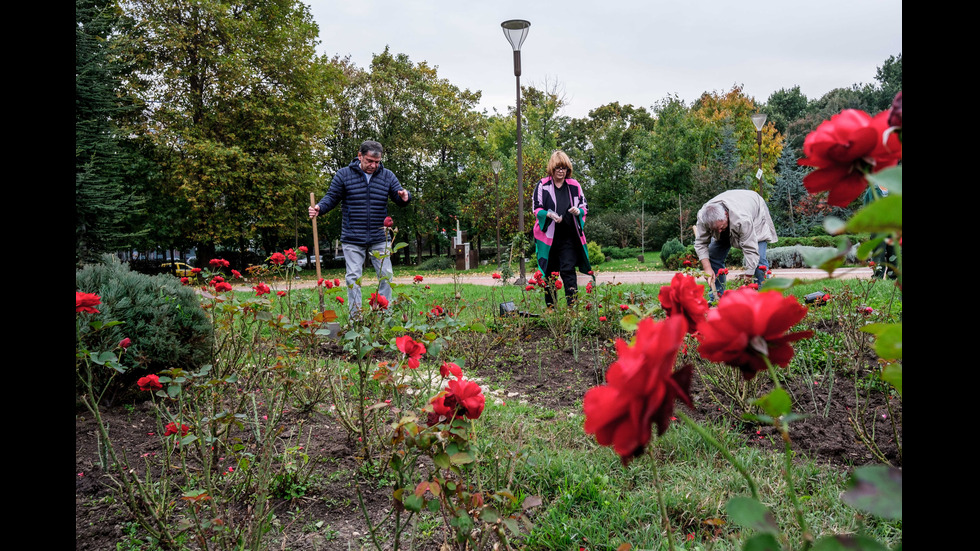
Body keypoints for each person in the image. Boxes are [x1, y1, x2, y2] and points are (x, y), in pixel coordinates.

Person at [309, 140, 410, 316]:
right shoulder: (343, 175)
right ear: (360, 156)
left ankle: (383, 316)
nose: (373, 165)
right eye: (369, 161)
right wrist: (319, 207)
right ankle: (356, 318)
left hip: (380, 236)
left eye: (377, 162)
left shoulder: (387, 176)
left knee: (386, 276)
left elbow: (399, 197)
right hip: (352, 236)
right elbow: (331, 197)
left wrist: (405, 197)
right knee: (353, 278)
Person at [532, 150, 593, 307]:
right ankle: (551, 307)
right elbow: (536, 208)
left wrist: (578, 211)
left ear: (568, 169)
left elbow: (584, 205)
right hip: (549, 238)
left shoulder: (574, 185)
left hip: (569, 236)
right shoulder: (542, 185)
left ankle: (572, 307)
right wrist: (550, 215)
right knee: (549, 273)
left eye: (564, 168)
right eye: (558, 167)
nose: (561, 171)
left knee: (568, 270)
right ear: (552, 168)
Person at [694, 189, 777, 301]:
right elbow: (700, 243)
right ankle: (716, 298)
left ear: (726, 214)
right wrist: (707, 269)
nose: (719, 231)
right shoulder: (703, 217)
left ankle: (765, 300)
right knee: (713, 256)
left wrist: (748, 276)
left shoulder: (742, 219)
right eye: (715, 229)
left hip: (755, 211)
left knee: (759, 262)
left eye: (721, 227)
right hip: (733, 208)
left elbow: (750, 249)